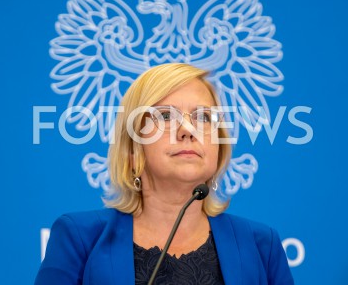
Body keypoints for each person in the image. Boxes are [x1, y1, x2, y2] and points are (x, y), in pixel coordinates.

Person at [34, 63, 294, 285]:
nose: (188, 130)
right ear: (133, 149)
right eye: (166, 116)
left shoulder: (262, 246)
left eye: (203, 117)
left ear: (219, 146)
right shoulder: (79, 239)